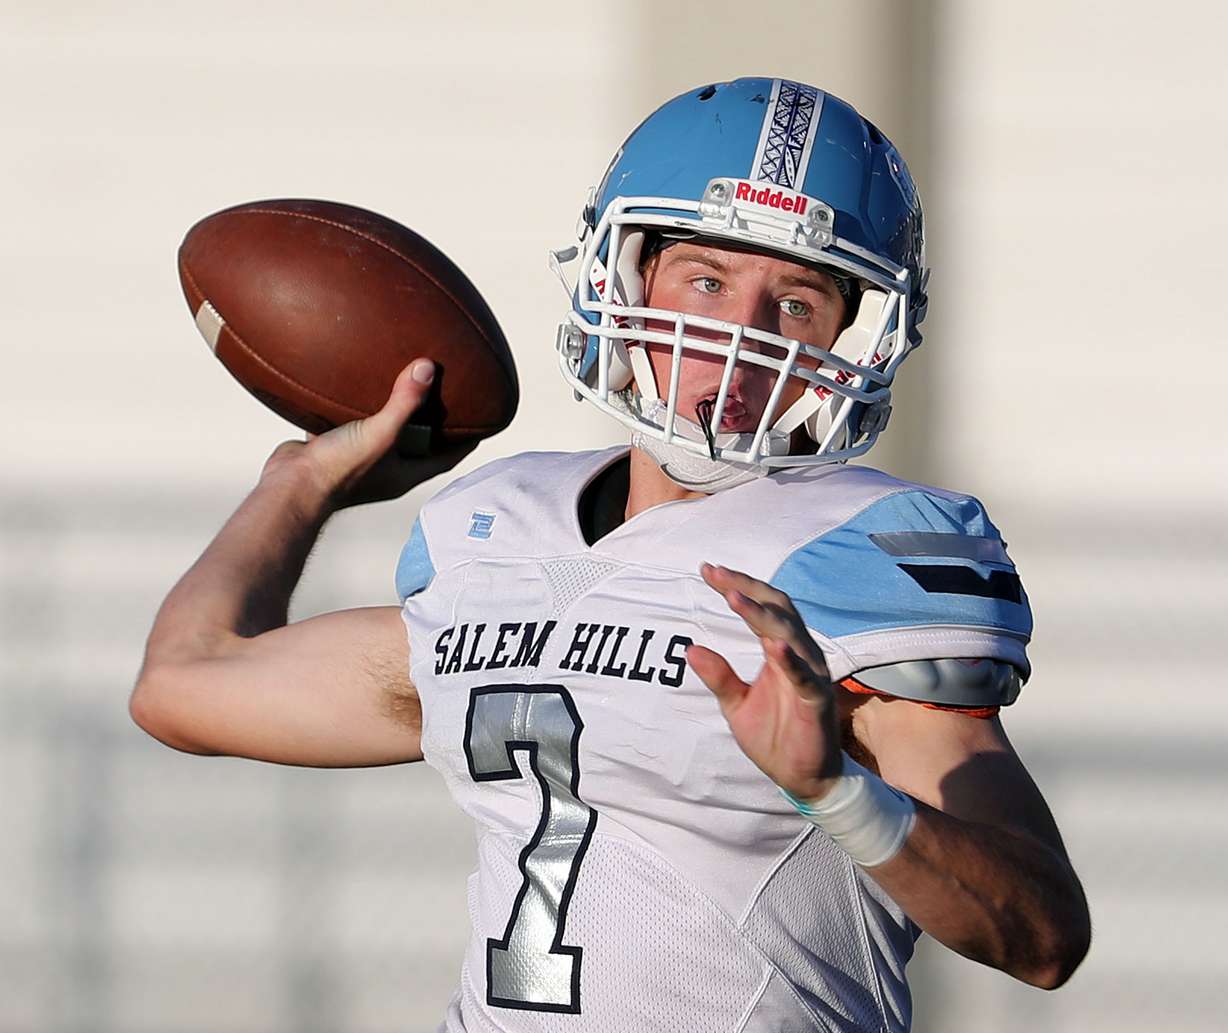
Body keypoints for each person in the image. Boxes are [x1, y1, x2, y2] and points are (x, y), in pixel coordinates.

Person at [131, 77, 1090, 1032]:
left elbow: (1044, 935)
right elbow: (182, 683)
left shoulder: (853, 555)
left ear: (855, 335)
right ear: (622, 279)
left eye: (797, 302)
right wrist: (300, 480)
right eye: (707, 280)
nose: (744, 333)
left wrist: (836, 790)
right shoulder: (495, 533)